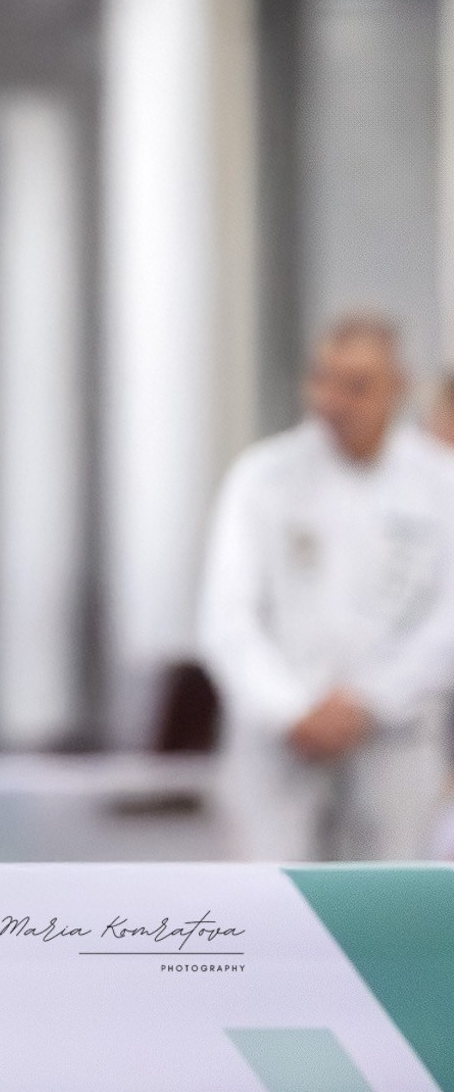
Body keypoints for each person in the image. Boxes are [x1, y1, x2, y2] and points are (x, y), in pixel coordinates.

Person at [199, 312, 454, 860]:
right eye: (323, 379)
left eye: (357, 386)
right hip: (281, 741)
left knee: (387, 919)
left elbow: (447, 620)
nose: (335, 400)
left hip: (394, 740)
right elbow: (227, 619)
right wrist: (293, 708)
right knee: (270, 914)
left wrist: (370, 701)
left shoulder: (440, 483)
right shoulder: (263, 477)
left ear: (398, 387)